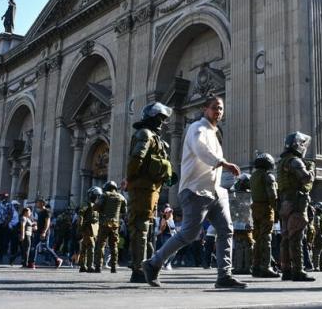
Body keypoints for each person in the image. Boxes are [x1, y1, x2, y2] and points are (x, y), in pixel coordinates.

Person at [142, 96, 246, 289]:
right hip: (195, 191)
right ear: (205, 109)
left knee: (226, 230)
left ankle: (224, 275)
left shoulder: (214, 133)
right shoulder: (197, 128)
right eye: (215, 107)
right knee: (189, 234)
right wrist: (222, 162)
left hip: (214, 192)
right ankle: (153, 263)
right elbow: (201, 149)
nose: (218, 111)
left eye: (221, 108)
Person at [126, 102, 175, 283]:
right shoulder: (146, 134)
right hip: (143, 188)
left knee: (145, 228)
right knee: (141, 228)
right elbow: (137, 158)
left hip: (150, 189)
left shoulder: (153, 136)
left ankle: (144, 266)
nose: (162, 122)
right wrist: (130, 178)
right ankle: (139, 269)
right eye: (160, 118)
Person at [277, 131, 316, 282]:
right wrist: (311, 169)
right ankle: (298, 271)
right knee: (296, 237)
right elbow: (306, 178)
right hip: (296, 202)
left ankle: (286, 270)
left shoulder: (282, 162)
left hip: (285, 202)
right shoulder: (295, 161)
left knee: (286, 237)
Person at [250, 151, 280, 278]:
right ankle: (266, 267)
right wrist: (277, 210)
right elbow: (272, 195)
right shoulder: (268, 176)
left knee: (257, 239)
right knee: (266, 238)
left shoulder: (253, 176)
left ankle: (256, 266)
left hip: (255, 208)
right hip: (266, 208)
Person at [94, 180, 127, 273]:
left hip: (104, 224)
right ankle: (113, 267)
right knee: (114, 246)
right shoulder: (121, 197)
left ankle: (98, 267)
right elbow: (124, 210)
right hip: (115, 225)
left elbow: (96, 207)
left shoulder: (104, 195)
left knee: (101, 245)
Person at [32, 199, 63, 268]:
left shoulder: (47, 211)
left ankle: (57, 259)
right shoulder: (39, 212)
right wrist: (35, 225)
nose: (36, 204)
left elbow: (47, 222)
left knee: (46, 247)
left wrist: (44, 232)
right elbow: (39, 222)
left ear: (42, 203)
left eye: (38, 203)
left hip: (44, 232)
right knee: (34, 246)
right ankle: (32, 263)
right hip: (38, 231)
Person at [78, 187, 101, 272]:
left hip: (93, 229)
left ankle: (82, 265)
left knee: (84, 247)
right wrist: (80, 227)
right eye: (96, 196)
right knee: (91, 246)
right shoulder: (86, 204)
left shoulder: (95, 205)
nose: (97, 198)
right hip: (87, 228)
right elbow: (80, 215)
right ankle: (90, 266)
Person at [7, 201, 21, 265]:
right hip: (12, 229)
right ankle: (12, 256)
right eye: (16, 205)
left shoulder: (16, 212)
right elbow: (9, 220)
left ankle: (13, 256)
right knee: (13, 243)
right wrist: (11, 227)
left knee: (15, 243)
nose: (17, 206)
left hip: (16, 228)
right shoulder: (12, 211)